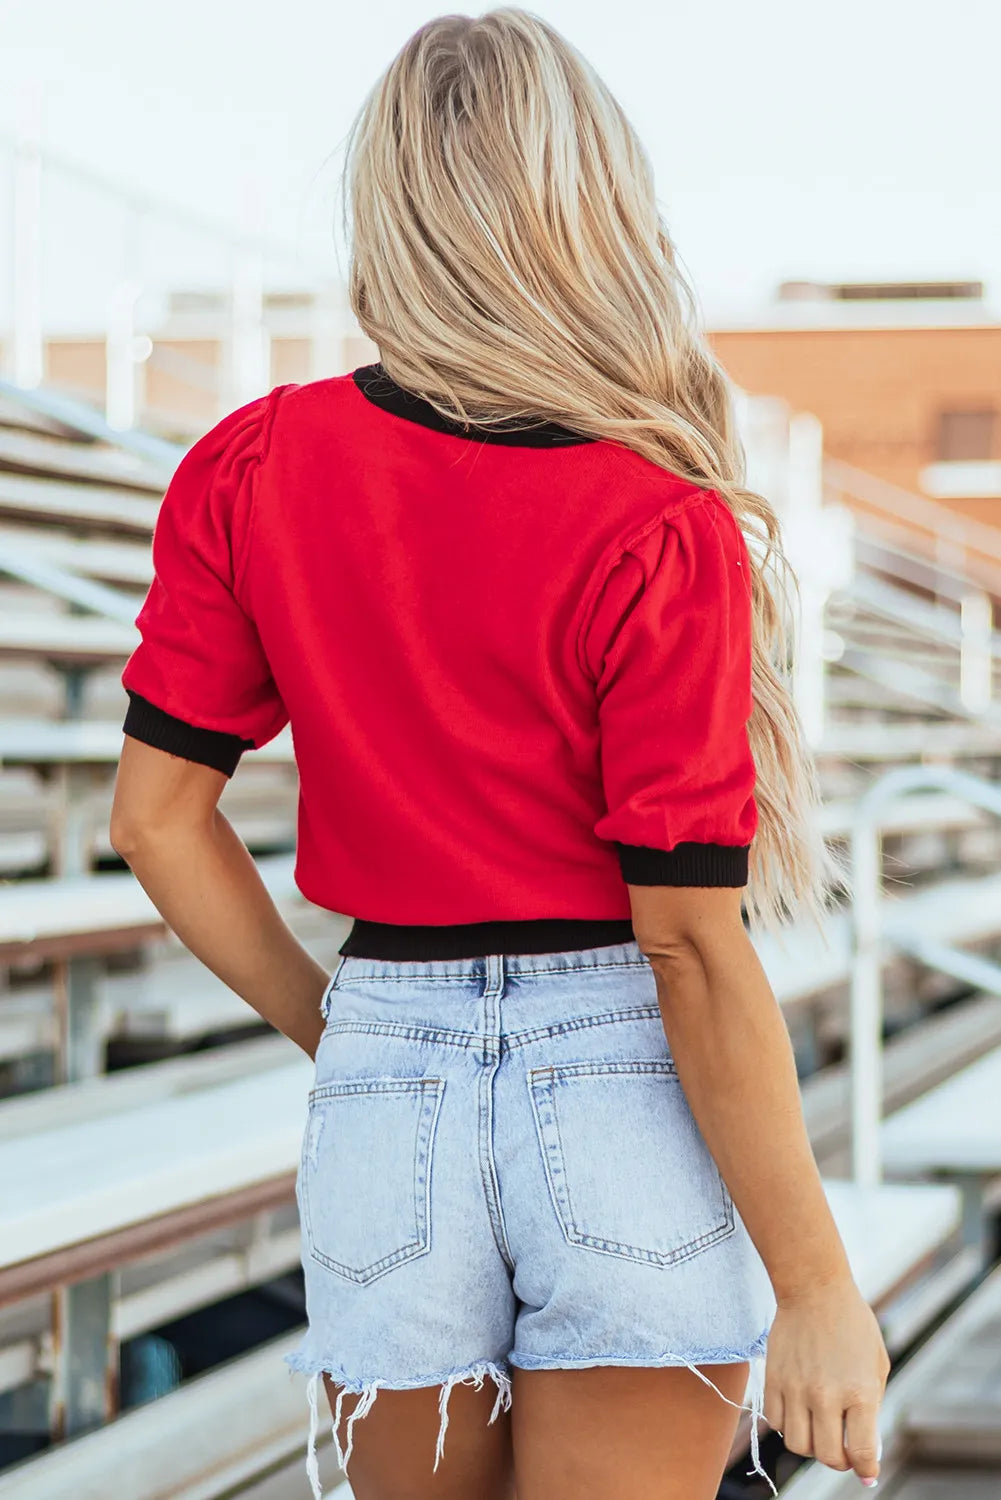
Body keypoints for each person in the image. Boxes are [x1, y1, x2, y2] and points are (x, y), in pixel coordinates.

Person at [110, 8, 890, 1498]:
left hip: (385, 1074)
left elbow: (156, 822)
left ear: (389, 209)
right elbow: (686, 948)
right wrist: (815, 1286)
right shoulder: (653, 520)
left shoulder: (253, 466)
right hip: (618, 1075)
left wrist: (338, 1026)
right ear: (590, 208)